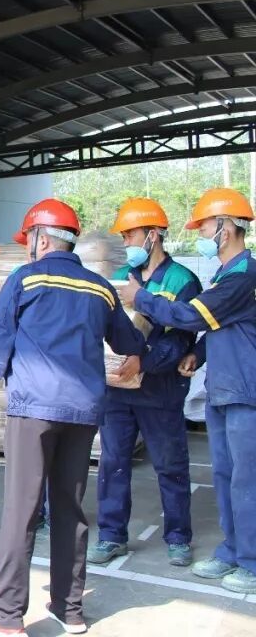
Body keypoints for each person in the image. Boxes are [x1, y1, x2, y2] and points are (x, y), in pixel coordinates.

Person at [0, 198, 146, 635]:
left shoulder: (25, 279)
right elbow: (126, 339)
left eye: (29, 238)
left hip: (34, 409)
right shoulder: (100, 288)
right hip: (82, 413)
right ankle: (70, 609)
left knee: (21, 511)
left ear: (41, 239)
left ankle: (6, 616)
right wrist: (139, 354)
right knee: (70, 508)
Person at [118, 187, 256, 595]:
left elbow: (193, 316)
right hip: (223, 388)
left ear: (226, 227)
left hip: (245, 390)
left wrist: (141, 298)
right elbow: (219, 327)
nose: (201, 233)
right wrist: (198, 353)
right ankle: (233, 551)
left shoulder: (244, 274)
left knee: (247, 480)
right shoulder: (225, 274)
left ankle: (251, 562)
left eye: (205, 226)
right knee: (226, 476)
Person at [89, 198, 200, 569]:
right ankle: (111, 535)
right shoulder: (121, 276)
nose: (126, 242)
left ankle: (178, 538)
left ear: (153, 235)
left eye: (131, 234)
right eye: (123, 235)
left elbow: (181, 337)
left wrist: (144, 362)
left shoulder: (182, 280)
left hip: (159, 390)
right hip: (118, 390)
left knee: (170, 465)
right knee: (113, 463)